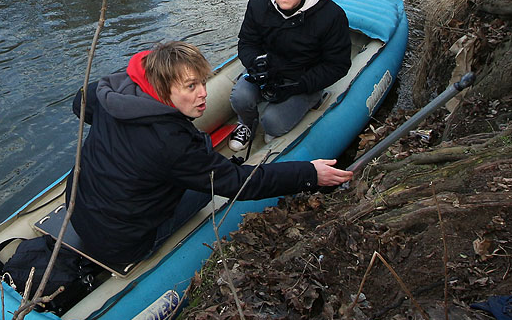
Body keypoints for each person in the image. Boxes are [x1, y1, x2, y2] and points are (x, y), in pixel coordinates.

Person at [68, 41, 352, 270]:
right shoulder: (171, 144)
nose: (204, 93)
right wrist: (309, 173)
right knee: (203, 192)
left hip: (77, 206)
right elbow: (240, 183)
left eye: (203, 82)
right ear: (162, 87)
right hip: (124, 243)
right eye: (191, 86)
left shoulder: (110, 92)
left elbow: (80, 105)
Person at [227, 0, 352, 153]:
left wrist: (301, 85)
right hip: (270, 71)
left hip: (302, 79)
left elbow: (338, 64)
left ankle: (288, 118)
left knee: (273, 122)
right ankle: (246, 124)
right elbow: (247, 42)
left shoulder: (331, 16)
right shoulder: (258, 4)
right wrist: (255, 63)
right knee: (239, 97)